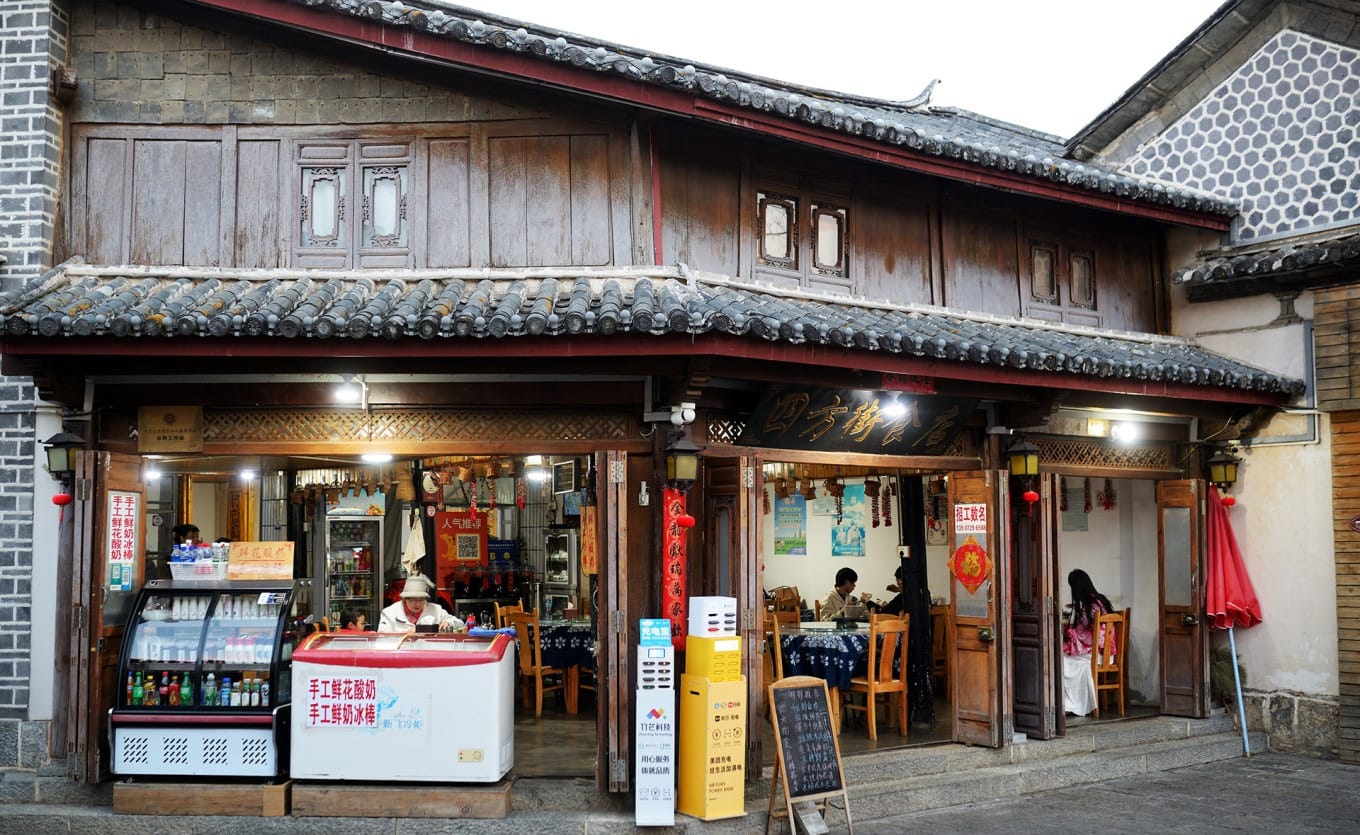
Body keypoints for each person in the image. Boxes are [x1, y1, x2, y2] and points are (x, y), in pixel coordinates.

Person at [378, 575, 465, 633]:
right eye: (413, 600)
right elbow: (382, 638)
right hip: (400, 656)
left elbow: (460, 624)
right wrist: (403, 634)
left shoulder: (436, 610)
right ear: (404, 599)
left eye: (422, 600)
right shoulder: (389, 613)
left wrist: (449, 623)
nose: (418, 604)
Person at [1063, 569, 1114, 656]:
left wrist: (1072, 632)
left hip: (1097, 646)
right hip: (1106, 643)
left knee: (1065, 641)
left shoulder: (1090, 606)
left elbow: (1089, 630)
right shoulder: (1100, 599)